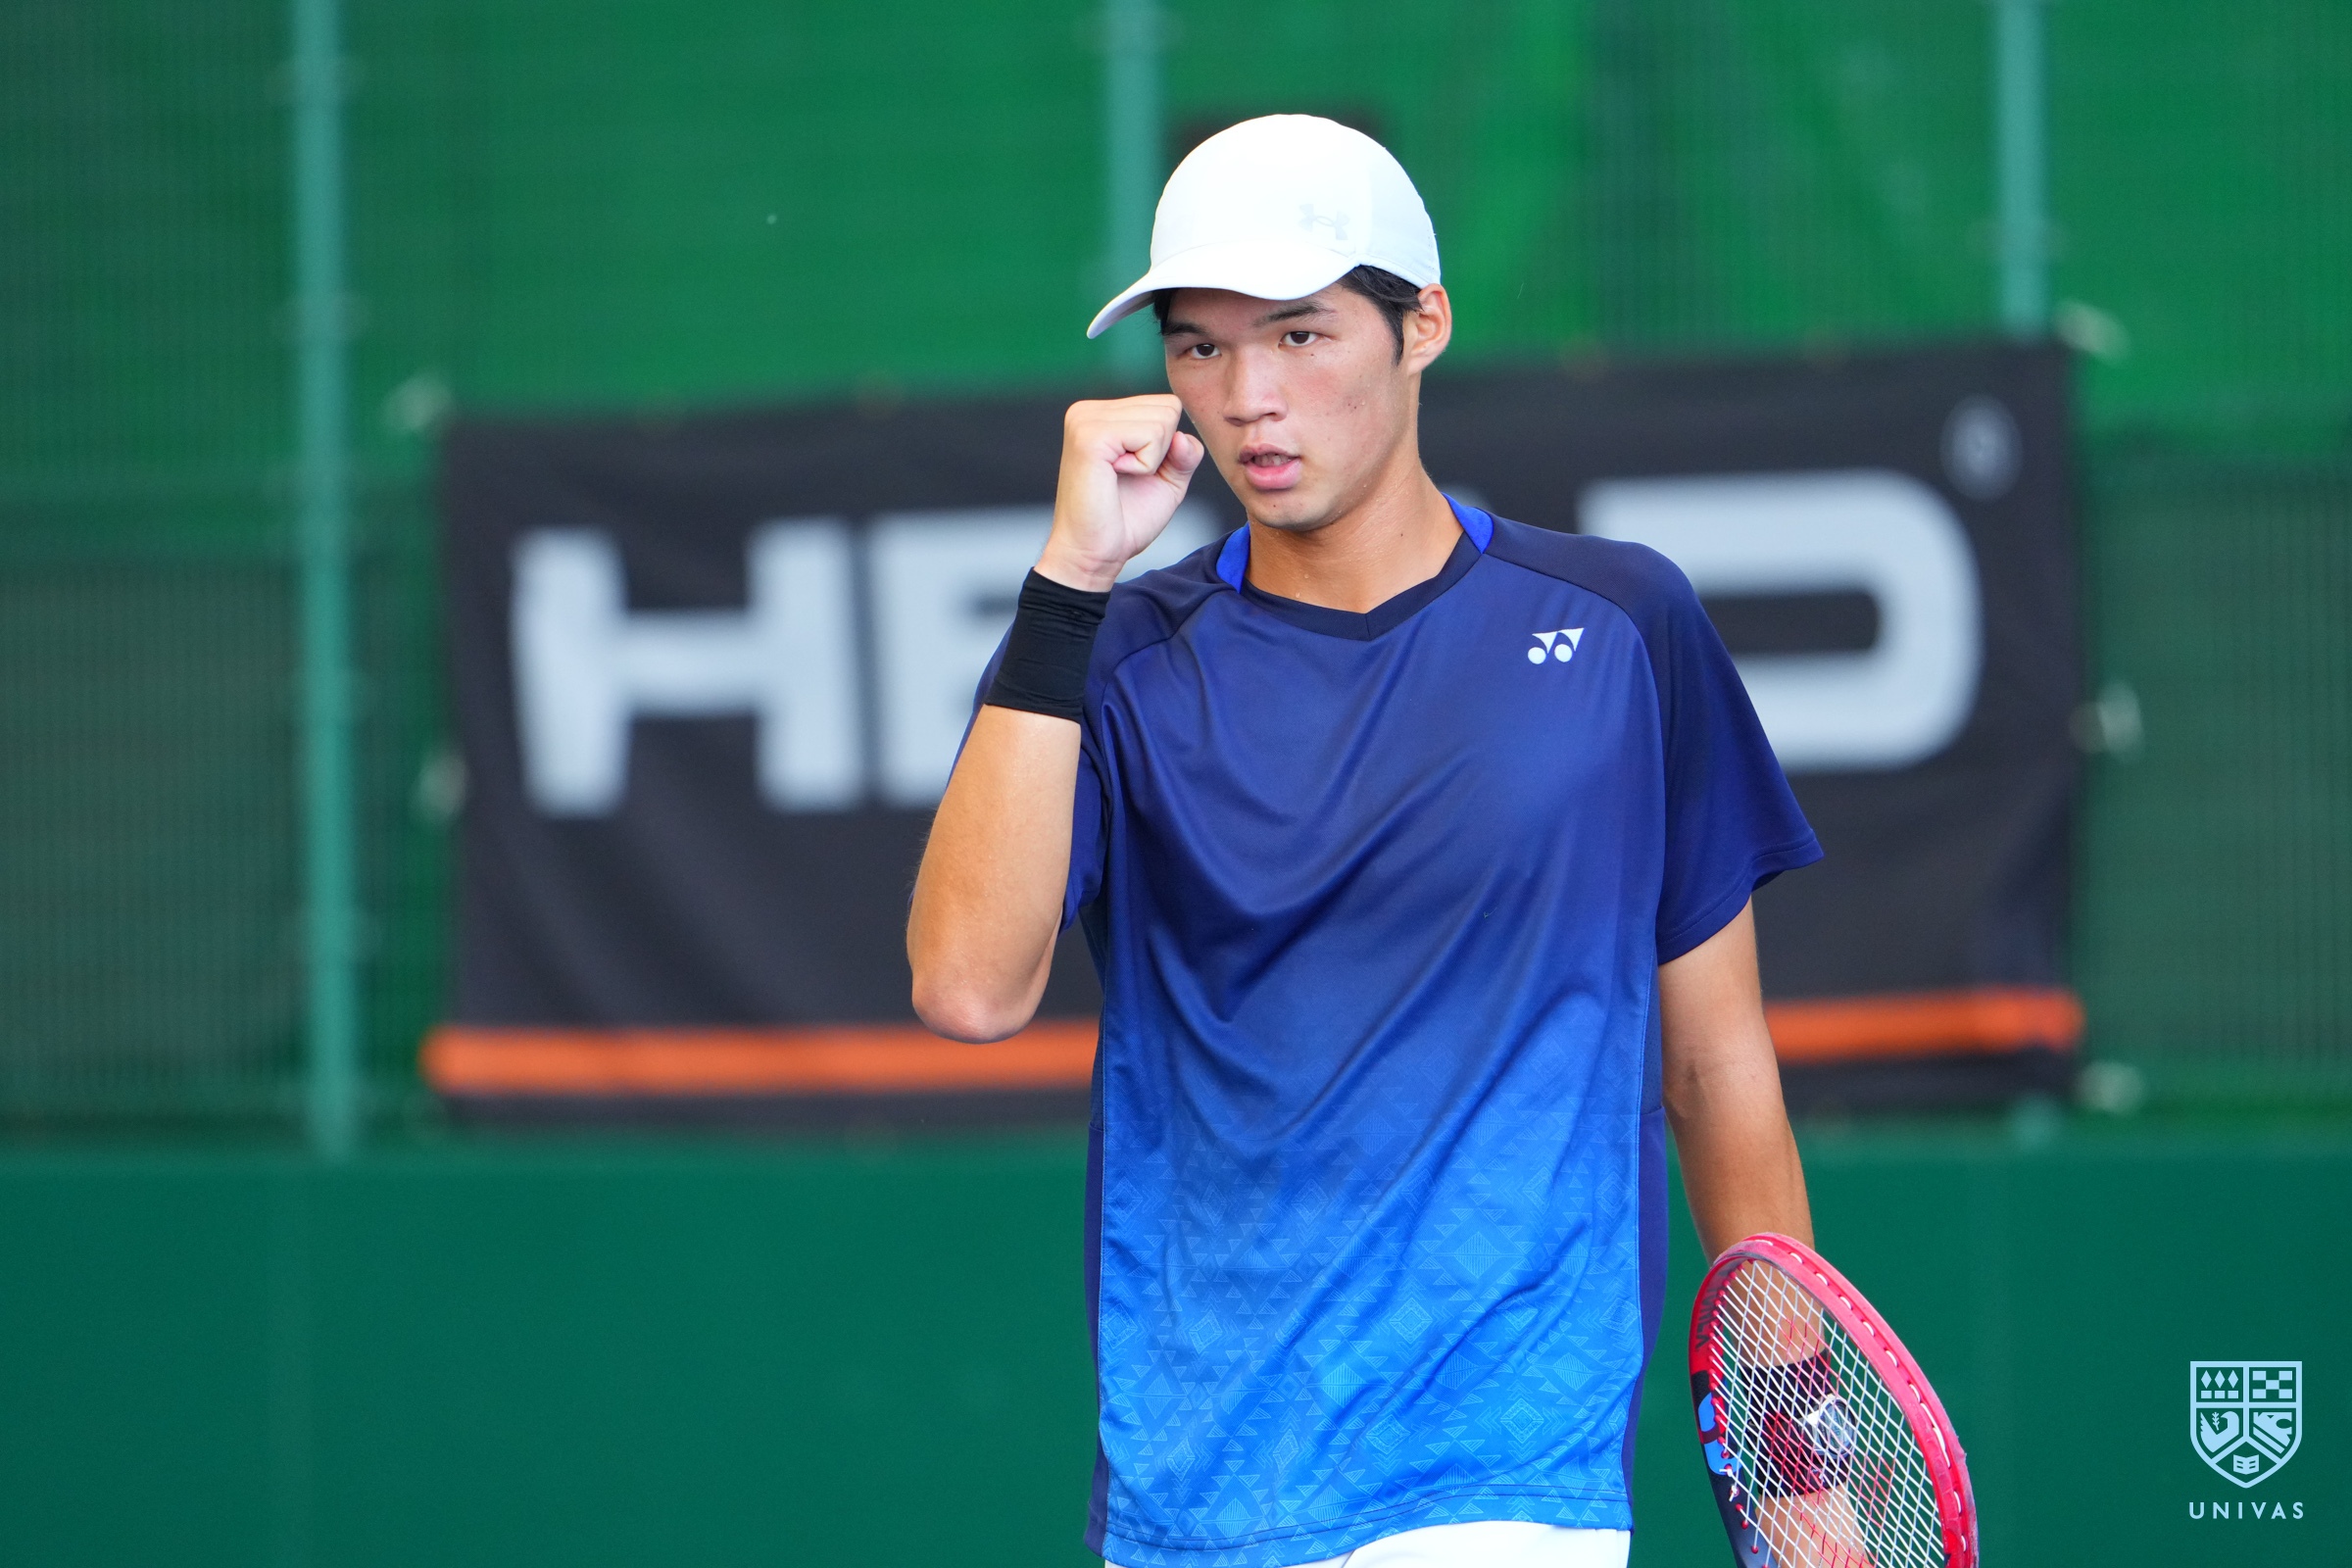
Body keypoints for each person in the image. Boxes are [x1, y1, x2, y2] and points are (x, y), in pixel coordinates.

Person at [907, 115, 1821, 1568]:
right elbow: (968, 987)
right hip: (1192, 1501)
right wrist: (1072, 576)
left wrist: (1801, 1448)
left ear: (1422, 327)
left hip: (1506, 1481)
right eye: (1200, 349)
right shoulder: (1114, 656)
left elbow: (1715, 1066)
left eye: (1300, 335)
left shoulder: (1623, 626)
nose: (1248, 399)